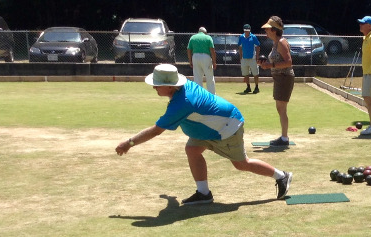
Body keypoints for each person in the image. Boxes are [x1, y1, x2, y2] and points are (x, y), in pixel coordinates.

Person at [115, 64, 292, 204]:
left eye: (157, 84)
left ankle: (282, 176)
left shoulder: (182, 104)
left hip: (227, 127)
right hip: (209, 129)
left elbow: (156, 131)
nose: (154, 87)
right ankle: (203, 193)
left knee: (241, 164)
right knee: (192, 150)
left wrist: (129, 143)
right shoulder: (182, 89)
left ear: (169, 86)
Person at [259, 16, 294, 146]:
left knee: (282, 109)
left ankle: (284, 138)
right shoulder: (276, 42)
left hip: (284, 78)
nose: (266, 32)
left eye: (268, 29)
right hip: (280, 78)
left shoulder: (281, 42)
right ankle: (284, 137)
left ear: (274, 30)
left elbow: (289, 62)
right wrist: (266, 64)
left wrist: (270, 66)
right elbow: (278, 61)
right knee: (280, 109)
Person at [187, 27, 217, 94]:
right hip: (206, 57)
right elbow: (212, 50)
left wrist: (190, 61)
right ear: (205, 32)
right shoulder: (208, 37)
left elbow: (189, 50)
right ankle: (212, 95)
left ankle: (199, 95)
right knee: (209, 78)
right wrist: (214, 62)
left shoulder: (193, 38)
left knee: (197, 78)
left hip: (195, 57)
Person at [238, 24, 261, 94]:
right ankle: (248, 87)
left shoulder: (253, 37)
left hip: (252, 58)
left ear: (250, 30)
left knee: (255, 73)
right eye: (245, 31)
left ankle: (256, 87)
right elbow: (240, 47)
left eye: (247, 31)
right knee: (246, 73)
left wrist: (257, 56)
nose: (246, 32)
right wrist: (241, 57)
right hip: (244, 58)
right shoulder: (241, 37)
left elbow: (257, 46)